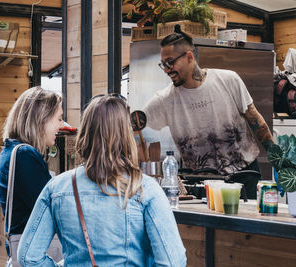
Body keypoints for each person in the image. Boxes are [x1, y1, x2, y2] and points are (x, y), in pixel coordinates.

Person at [17, 94, 187, 266]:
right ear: (126, 135)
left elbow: (28, 257)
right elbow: (173, 262)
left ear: (85, 133)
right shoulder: (145, 188)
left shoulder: (56, 188)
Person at [142, 27, 274, 198]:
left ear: (189, 56)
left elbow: (255, 119)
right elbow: (135, 122)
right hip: (202, 185)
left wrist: (278, 160)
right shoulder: (165, 100)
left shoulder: (228, 80)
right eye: (163, 64)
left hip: (244, 175)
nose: (166, 69)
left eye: (170, 62)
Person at [0, 87, 63, 262]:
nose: (61, 126)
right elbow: (52, 208)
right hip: (36, 253)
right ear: (41, 119)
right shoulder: (24, 156)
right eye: (58, 118)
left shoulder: (12, 151)